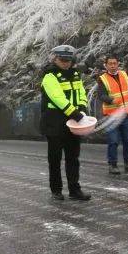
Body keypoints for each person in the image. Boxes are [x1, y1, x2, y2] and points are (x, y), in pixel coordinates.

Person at [40, 45, 91, 201]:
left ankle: (75, 190)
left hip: (74, 122)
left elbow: (81, 92)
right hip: (55, 122)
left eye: (68, 60)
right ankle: (56, 190)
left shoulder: (75, 74)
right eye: (62, 60)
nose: (66, 63)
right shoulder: (49, 76)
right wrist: (77, 115)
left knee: (73, 158)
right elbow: (58, 99)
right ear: (55, 59)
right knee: (55, 158)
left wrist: (82, 108)